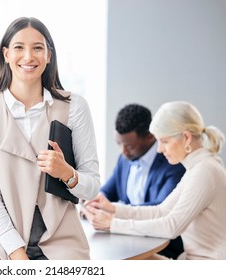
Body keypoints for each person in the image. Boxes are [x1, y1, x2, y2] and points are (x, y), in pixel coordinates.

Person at [0, 17, 100, 260]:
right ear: (6, 54)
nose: (28, 57)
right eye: (19, 47)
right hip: (3, 242)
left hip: (63, 243)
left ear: (49, 55)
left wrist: (67, 173)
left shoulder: (75, 107)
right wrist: (17, 253)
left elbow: (91, 188)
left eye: (38, 48)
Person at [82, 101, 226, 260]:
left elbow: (172, 226)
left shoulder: (204, 171)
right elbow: (161, 211)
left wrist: (113, 224)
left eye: (164, 141)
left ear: (186, 137)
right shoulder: (198, 168)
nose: (159, 149)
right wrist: (112, 208)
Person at [98, 103, 185, 259]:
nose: (123, 151)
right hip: (127, 238)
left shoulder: (173, 164)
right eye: (119, 143)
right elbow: (107, 192)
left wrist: (114, 212)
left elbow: (161, 209)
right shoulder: (124, 158)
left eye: (129, 146)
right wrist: (94, 204)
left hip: (161, 246)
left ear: (150, 136)